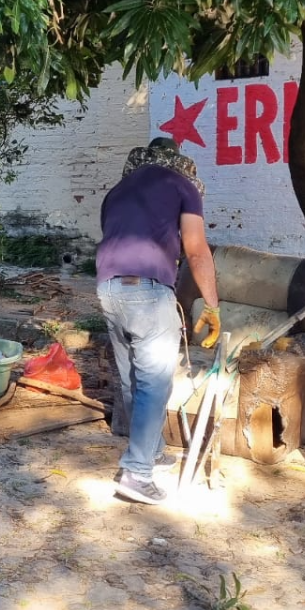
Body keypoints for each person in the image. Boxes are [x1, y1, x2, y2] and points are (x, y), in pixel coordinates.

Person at [96, 138, 221, 505]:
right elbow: (196, 248)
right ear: (179, 163)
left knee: (133, 380)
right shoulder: (183, 185)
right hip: (148, 292)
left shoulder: (116, 191)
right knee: (154, 381)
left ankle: (151, 453)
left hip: (108, 288)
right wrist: (211, 306)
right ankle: (137, 473)